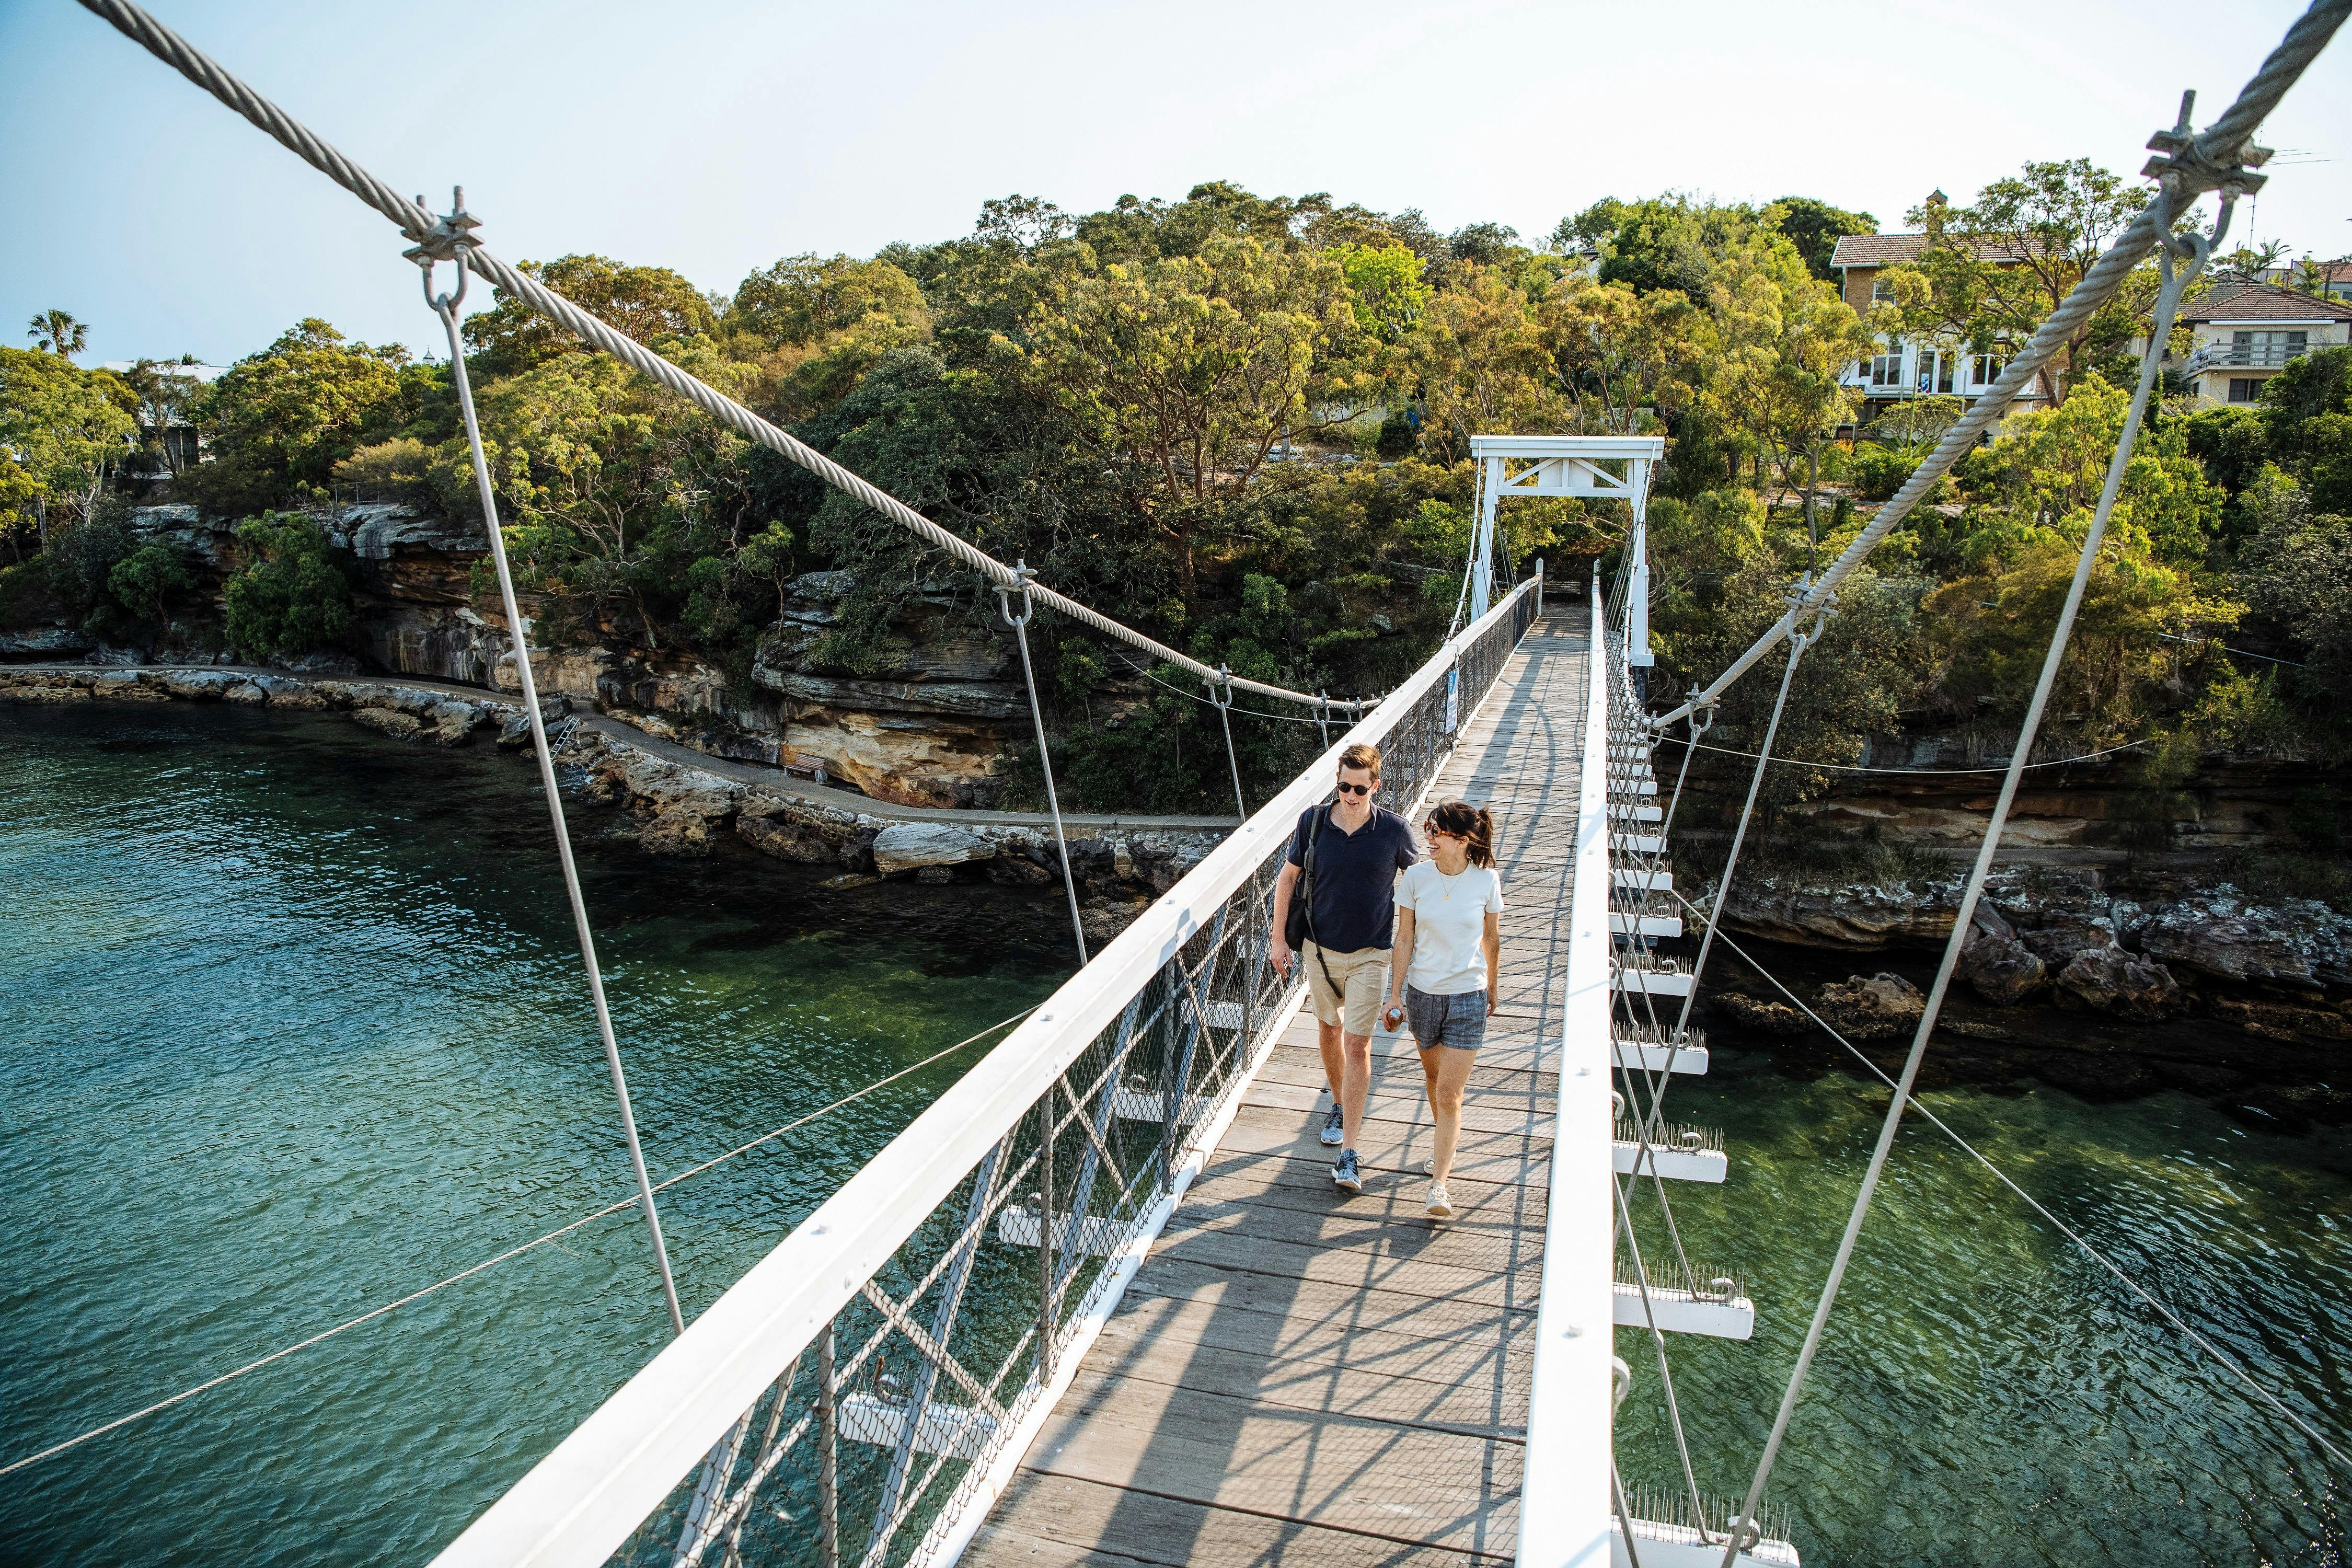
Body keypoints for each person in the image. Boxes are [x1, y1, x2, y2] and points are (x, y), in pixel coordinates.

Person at [1269, 741, 1416, 1195]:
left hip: (1372, 952)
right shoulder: (1313, 822)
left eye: (1358, 789)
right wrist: (1278, 941)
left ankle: (1349, 1153)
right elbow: (1288, 879)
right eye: (1343, 787)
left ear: (1375, 786)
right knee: (1330, 1032)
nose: (1349, 797)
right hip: (1318, 949)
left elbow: (1418, 887)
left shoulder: (1394, 831)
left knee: (1358, 1046)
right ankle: (1337, 1102)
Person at [1379, 799, 1501, 1221]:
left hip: (1468, 994)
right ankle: (1442, 1143)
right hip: (1423, 994)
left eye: (1436, 830)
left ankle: (1440, 1187)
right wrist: (1394, 995)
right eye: (1428, 828)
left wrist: (1494, 986)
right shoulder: (1415, 878)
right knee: (1433, 1079)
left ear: (1463, 839)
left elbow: (1491, 939)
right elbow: (1404, 940)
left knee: (1450, 1093)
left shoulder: (1486, 881)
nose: (1428, 836)